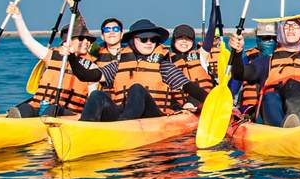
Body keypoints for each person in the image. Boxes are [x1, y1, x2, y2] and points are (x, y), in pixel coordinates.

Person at [66, 19, 209, 121]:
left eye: (153, 40)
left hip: (153, 117)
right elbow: (87, 75)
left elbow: (189, 87)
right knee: (97, 94)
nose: (149, 43)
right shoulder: (119, 64)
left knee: (137, 89)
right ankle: (86, 128)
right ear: (133, 40)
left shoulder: (163, 65)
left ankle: (124, 126)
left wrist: (212, 102)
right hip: (124, 116)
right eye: (144, 39)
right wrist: (71, 57)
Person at [0, 0, 97, 118]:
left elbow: (92, 97)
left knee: (53, 109)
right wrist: (17, 16)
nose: (86, 42)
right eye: (81, 38)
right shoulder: (51, 56)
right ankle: (6, 123)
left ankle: (38, 124)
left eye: (89, 40)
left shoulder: (91, 66)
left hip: (69, 115)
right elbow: (28, 41)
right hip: (41, 107)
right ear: (67, 41)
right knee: (26, 108)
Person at [237, 22, 278, 117]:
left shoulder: (283, 58)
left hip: (274, 109)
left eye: (274, 38)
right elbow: (232, 88)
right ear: (258, 39)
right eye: (266, 38)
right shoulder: (247, 59)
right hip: (249, 111)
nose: (271, 41)